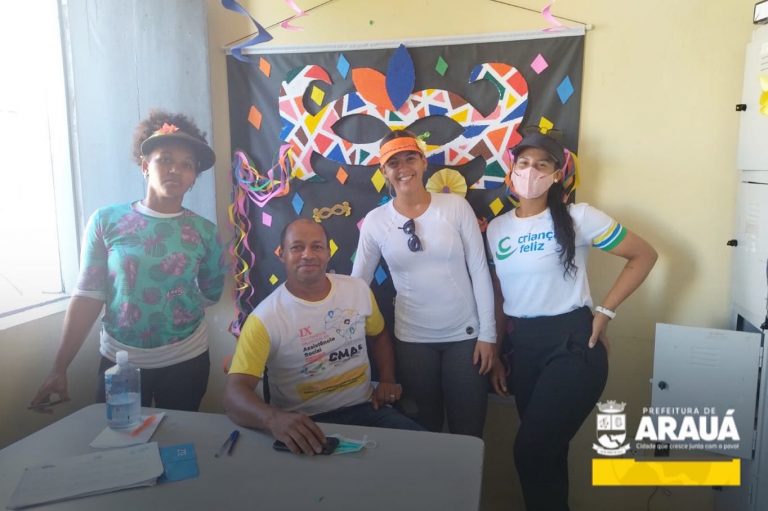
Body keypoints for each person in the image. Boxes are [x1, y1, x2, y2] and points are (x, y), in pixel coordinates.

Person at [486, 129, 658, 511]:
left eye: (542, 165)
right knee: (548, 456)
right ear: (511, 171)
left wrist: (605, 311)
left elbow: (644, 255)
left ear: (556, 175)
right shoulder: (497, 229)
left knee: (530, 452)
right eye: (524, 163)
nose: (531, 172)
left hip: (573, 346)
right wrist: (496, 352)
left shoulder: (579, 217)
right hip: (523, 348)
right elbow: (500, 294)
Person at [30, 110, 226, 413]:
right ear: (145, 166)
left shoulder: (206, 232)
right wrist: (59, 367)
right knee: (118, 437)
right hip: (120, 361)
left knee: (180, 436)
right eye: (165, 159)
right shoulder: (107, 221)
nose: (176, 169)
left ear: (193, 179)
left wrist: (171, 304)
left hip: (186, 359)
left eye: (187, 164)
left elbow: (210, 292)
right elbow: (88, 295)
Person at [224, 218, 422, 455]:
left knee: (423, 452)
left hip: (367, 409)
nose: (308, 255)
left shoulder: (357, 290)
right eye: (297, 247)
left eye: (316, 246)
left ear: (329, 253)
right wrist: (274, 419)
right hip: (305, 424)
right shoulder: (264, 319)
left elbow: (379, 335)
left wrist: (387, 379)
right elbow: (234, 395)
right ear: (282, 254)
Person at [350, 130, 496, 438]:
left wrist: (488, 335)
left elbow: (480, 270)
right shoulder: (376, 221)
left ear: (424, 162)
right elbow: (358, 284)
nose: (404, 168)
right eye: (394, 163)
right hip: (412, 341)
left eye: (410, 158)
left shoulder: (455, 207)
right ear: (383, 171)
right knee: (423, 433)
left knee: (468, 433)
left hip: (466, 337)